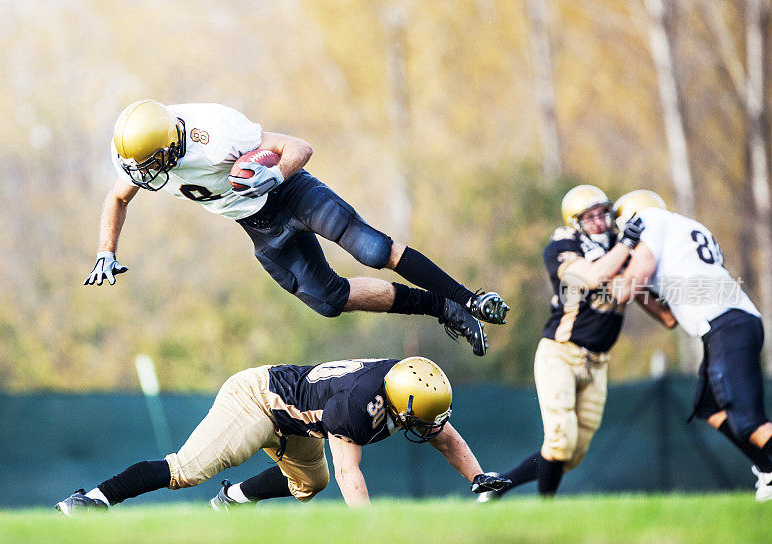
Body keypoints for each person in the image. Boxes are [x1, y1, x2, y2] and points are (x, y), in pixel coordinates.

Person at [83, 100, 511, 356]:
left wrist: (275, 175)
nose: (150, 173)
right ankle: (443, 309)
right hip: (258, 223)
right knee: (330, 300)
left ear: (172, 140)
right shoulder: (142, 153)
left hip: (291, 193)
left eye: (156, 161)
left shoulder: (215, 131)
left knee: (374, 251)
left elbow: (298, 147)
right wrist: (107, 250)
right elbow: (117, 197)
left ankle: (468, 299)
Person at [55, 356, 510, 514]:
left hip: (299, 418)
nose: (427, 427)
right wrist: (375, 529)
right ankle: (92, 499)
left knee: (311, 484)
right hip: (258, 398)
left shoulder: (405, 386)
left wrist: (478, 478)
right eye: (419, 418)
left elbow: (444, 435)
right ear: (395, 399)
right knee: (187, 470)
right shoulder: (358, 405)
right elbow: (352, 474)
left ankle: (231, 500)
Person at [477, 185, 676, 502]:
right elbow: (593, 277)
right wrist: (627, 245)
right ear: (575, 221)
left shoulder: (618, 244)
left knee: (573, 453)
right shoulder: (563, 245)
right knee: (560, 441)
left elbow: (657, 308)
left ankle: (499, 483)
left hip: (598, 362)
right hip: (561, 353)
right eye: (590, 216)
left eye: (603, 213)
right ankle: (547, 511)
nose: (599, 221)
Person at [609, 189, 772, 502]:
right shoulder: (681, 228)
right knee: (709, 407)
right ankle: (769, 472)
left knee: (750, 422)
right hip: (731, 323)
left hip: (725, 325)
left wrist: (613, 271)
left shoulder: (648, 220)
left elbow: (626, 287)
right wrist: (630, 281)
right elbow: (669, 319)